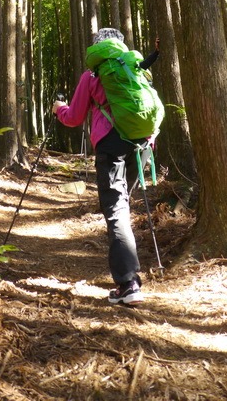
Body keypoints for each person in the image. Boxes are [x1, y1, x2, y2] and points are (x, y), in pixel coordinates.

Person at [52, 27, 159, 306]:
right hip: (143, 146)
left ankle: (128, 283)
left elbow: (74, 118)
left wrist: (58, 108)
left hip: (110, 145)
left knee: (116, 208)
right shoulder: (136, 66)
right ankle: (129, 274)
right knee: (123, 203)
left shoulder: (93, 74)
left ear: (97, 48)